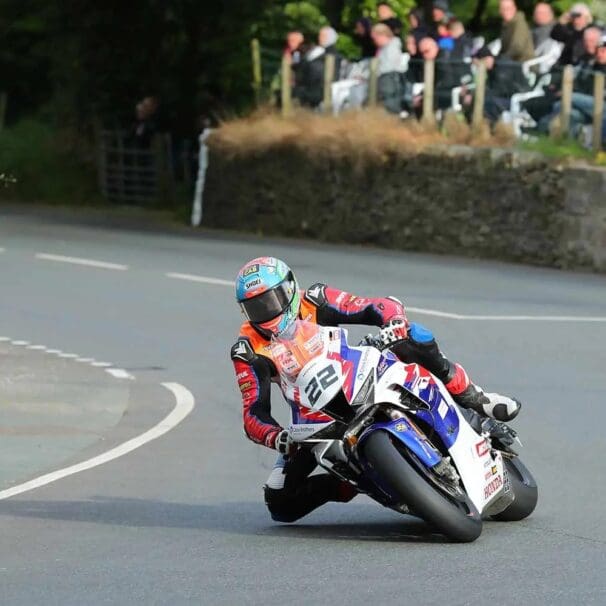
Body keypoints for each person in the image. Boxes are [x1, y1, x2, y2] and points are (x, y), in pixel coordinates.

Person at [231, 257, 521, 523]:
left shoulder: (314, 299)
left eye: (272, 301)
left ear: (290, 289)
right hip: (314, 420)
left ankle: (475, 397)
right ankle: (355, 482)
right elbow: (253, 413)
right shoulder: (248, 350)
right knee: (280, 503)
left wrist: (393, 322)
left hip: (357, 373)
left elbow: (376, 305)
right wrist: (277, 437)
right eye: (256, 307)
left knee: (412, 337)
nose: (267, 312)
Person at [532, 3, 563, 73]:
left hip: (548, 68)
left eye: (542, 13)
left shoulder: (557, 31)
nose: (538, 15)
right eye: (537, 13)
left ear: (550, 14)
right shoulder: (533, 30)